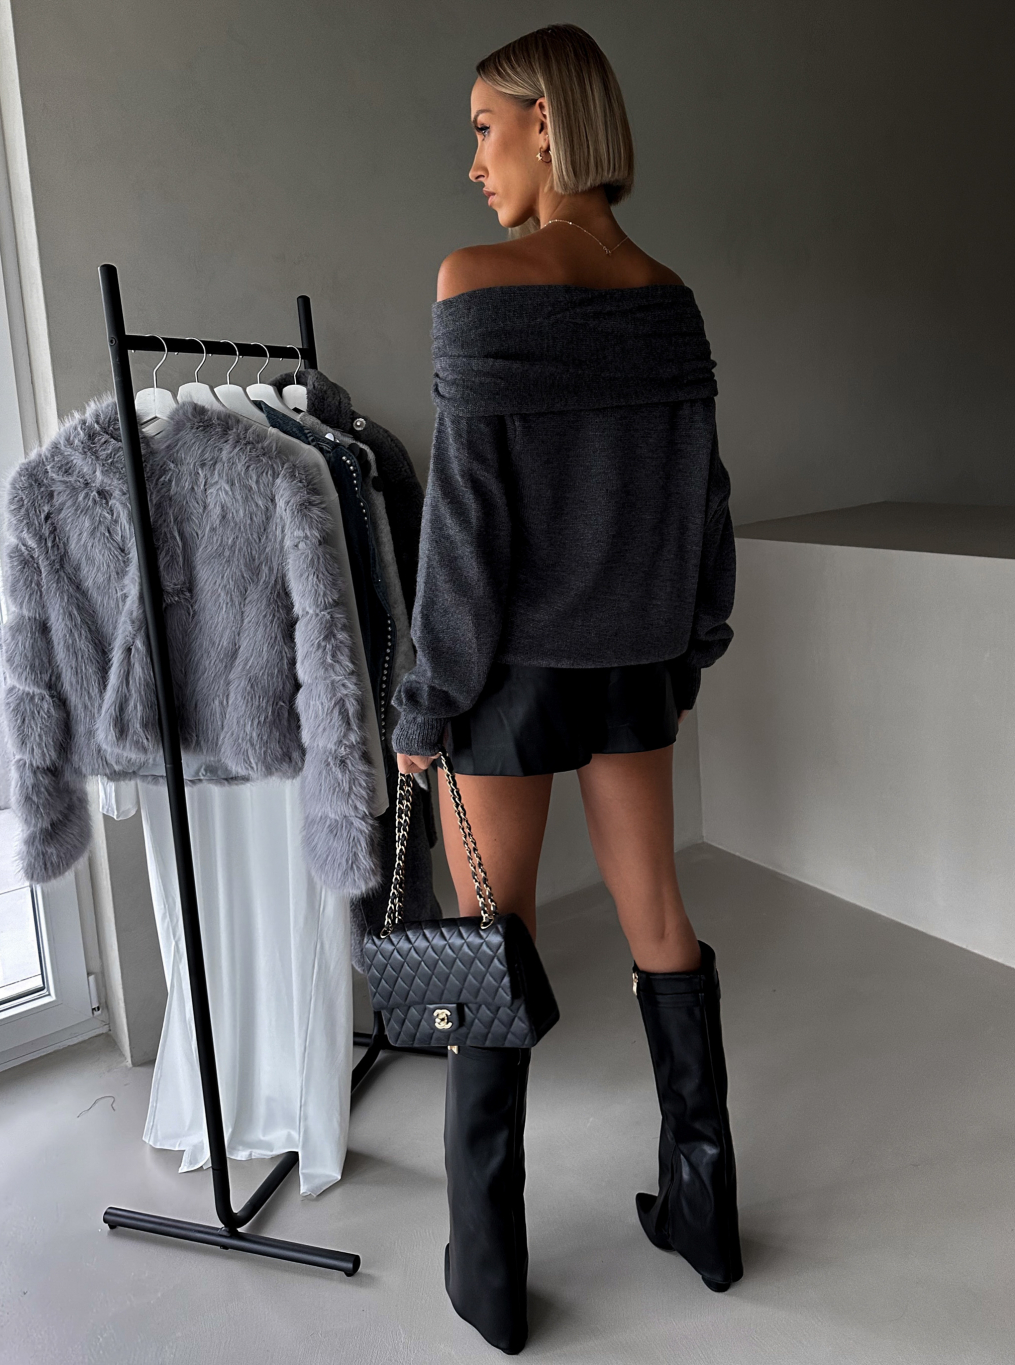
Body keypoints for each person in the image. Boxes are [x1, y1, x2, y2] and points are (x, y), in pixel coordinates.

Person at [391, 23, 742, 1354]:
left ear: (548, 122)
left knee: (492, 937)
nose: (474, 161)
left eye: (486, 128)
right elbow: (706, 510)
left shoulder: (476, 283)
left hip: (507, 678)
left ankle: (489, 1274)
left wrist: (425, 706)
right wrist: (688, 649)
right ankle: (706, 1215)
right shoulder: (672, 301)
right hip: (635, 665)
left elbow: (463, 536)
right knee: (660, 917)